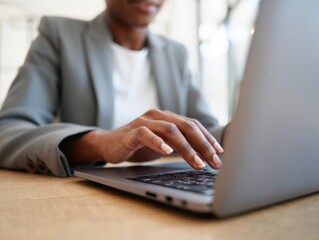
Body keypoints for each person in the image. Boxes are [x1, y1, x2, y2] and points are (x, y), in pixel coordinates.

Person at [0, 0, 226, 177]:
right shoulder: (59, 35)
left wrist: (246, 131)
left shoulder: (176, 53)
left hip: (170, 180)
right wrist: (101, 143)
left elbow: (206, 132)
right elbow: (7, 131)